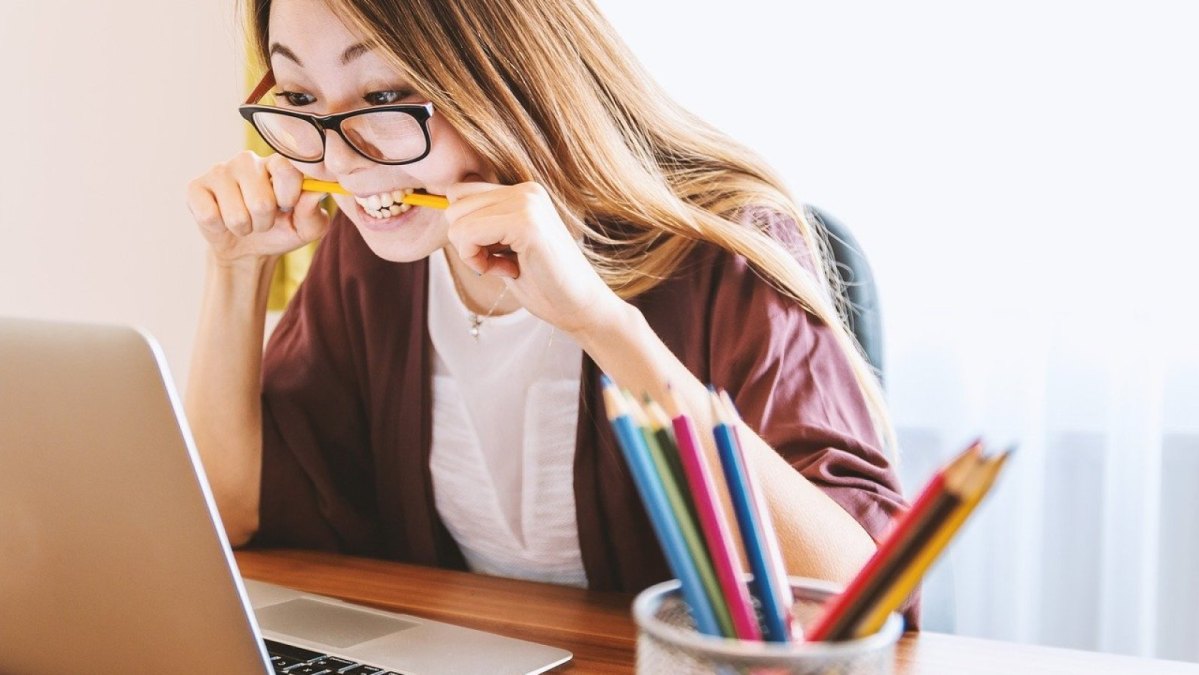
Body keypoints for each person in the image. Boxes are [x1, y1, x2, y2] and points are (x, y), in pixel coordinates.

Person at [184, 0, 912, 617]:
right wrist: (236, 269)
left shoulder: (723, 249)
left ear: (507, 74)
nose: (339, 162)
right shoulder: (374, 258)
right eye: (302, 98)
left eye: (383, 97)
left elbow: (856, 596)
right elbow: (232, 510)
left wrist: (601, 322)